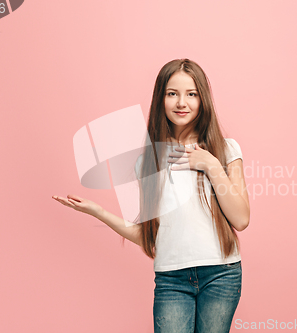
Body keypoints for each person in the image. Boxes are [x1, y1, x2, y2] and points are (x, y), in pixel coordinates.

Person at [53, 58, 250, 333]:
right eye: (172, 93)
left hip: (221, 274)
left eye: (191, 94)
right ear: (161, 98)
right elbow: (150, 238)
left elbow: (241, 219)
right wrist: (98, 212)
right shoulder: (146, 162)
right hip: (171, 279)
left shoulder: (226, 149)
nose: (182, 102)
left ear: (203, 99)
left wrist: (211, 164)